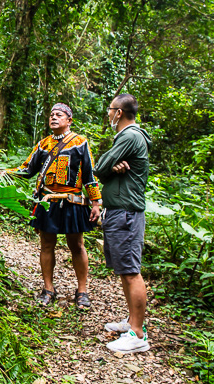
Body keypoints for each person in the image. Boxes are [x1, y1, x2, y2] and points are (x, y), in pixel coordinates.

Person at [4, 103, 101, 309]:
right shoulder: (44, 144)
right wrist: (5, 172)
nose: (54, 117)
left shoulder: (80, 142)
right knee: (46, 245)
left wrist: (95, 202)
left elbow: (89, 175)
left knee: (77, 245)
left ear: (69, 120)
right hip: (48, 201)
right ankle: (48, 289)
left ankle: (82, 291)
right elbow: (27, 169)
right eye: (51, 115)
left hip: (72, 201)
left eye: (59, 115)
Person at [93, 93, 153, 354]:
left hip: (127, 213)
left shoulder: (130, 136)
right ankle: (131, 321)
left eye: (110, 109)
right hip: (119, 211)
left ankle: (137, 335)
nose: (108, 113)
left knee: (130, 271)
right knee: (123, 268)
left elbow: (100, 166)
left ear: (119, 113)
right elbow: (106, 169)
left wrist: (109, 165)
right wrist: (110, 168)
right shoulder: (126, 138)